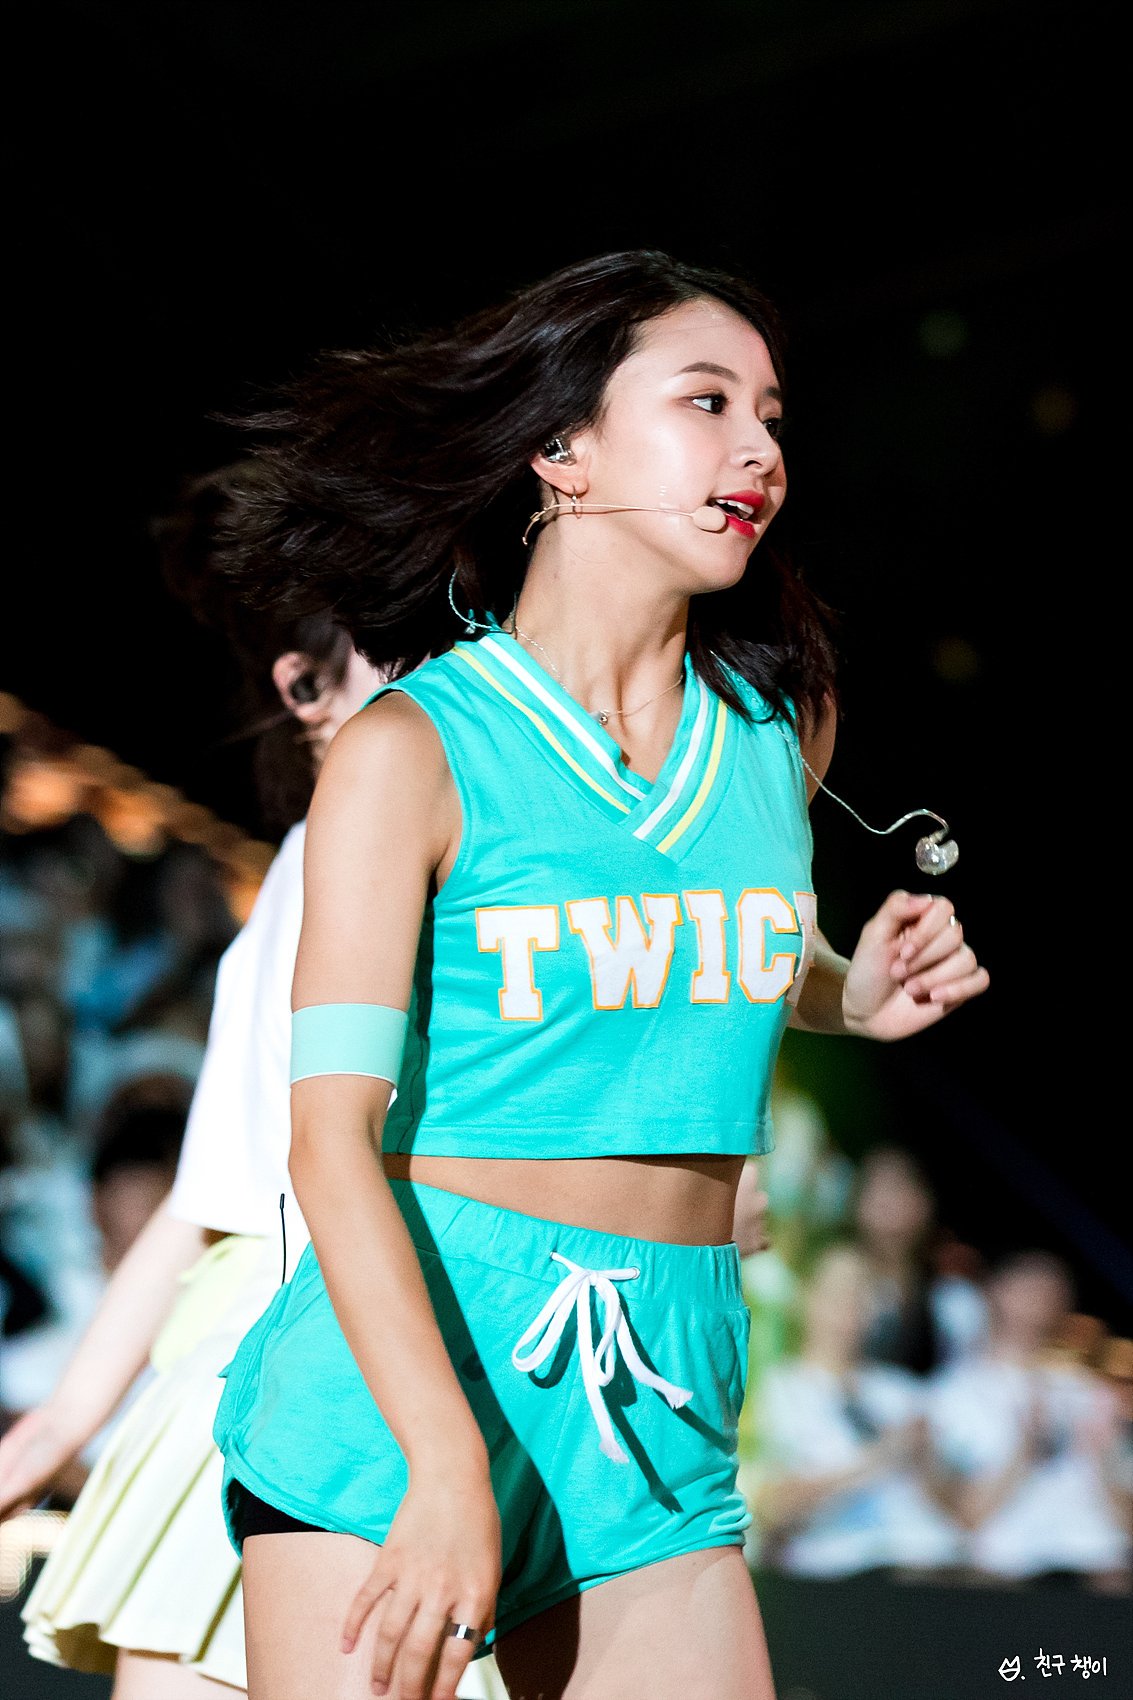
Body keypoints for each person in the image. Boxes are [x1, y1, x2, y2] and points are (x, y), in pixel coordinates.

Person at [209, 249, 990, 1700]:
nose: (758, 449)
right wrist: (445, 1464)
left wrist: (844, 988)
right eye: (705, 401)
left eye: (769, 416)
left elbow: (699, 952)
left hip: (664, 1376)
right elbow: (328, 1139)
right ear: (561, 451)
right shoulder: (412, 751)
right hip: (418, 1366)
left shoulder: (780, 727)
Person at [0, 473, 497, 1695]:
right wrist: (56, 1426)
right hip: (274, 1374)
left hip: (408, 1380)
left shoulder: (469, 857)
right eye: (407, 648)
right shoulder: (318, 861)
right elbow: (215, 1196)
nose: (458, 676)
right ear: (301, 689)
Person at [747, 1243, 961, 1579]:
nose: (851, 1303)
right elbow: (772, 1509)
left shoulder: (904, 1391)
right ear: (804, 1296)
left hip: (931, 1565)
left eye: (864, 1290)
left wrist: (926, 1458)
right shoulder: (776, 1389)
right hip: (837, 1571)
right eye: (838, 1290)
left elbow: (960, 1508)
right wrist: (878, 1458)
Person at [928, 1251, 1131, 1587]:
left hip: (1097, 1568)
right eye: (1030, 1288)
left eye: (1052, 1291)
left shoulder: (1090, 1394)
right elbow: (962, 1516)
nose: (1040, 1301)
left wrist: (1104, 1459)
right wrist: (1024, 1449)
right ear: (997, 1290)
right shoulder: (953, 1392)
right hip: (1005, 1572)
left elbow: (1126, 1520)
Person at [853, 1145, 987, 1376]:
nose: (886, 1203)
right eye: (876, 1188)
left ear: (924, 1204)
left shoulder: (953, 1303)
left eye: (897, 1189)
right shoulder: (823, 1288)